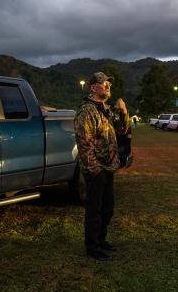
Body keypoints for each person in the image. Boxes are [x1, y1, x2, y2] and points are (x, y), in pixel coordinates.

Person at [74, 71, 130, 262]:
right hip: (96, 169)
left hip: (108, 167)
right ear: (92, 87)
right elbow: (84, 142)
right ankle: (92, 248)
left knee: (108, 208)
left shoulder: (105, 109)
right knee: (94, 210)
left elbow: (122, 130)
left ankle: (100, 240)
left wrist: (123, 112)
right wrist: (94, 168)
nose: (107, 86)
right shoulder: (86, 110)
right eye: (103, 83)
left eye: (108, 84)